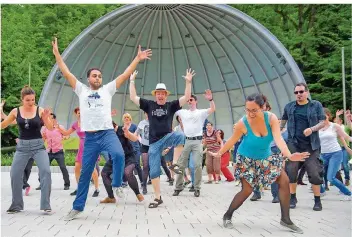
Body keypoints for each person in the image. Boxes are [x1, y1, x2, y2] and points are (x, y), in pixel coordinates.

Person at [51, 37, 152, 221]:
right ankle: (77, 207)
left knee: (119, 155)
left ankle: (116, 185)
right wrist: (57, 54)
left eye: (99, 76)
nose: (97, 78)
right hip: (90, 138)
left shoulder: (108, 89)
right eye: (94, 76)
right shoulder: (81, 90)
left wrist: (137, 59)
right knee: (85, 173)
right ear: (88, 78)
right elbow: (66, 73)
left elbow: (123, 74)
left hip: (107, 133)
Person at [209, 93, 309, 234]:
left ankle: (285, 219)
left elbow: (278, 139)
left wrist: (289, 155)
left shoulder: (271, 119)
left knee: (284, 180)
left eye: (254, 110)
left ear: (263, 107)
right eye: (247, 110)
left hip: (265, 157)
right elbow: (231, 141)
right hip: (246, 159)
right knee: (247, 190)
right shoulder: (242, 123)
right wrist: (219, 153)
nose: (250, 113)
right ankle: (227, 215)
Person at [129, 69, 194, 208]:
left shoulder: (170, 106)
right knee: (153, 171)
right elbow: (133, 97)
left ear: (165, 95)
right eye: (158, 93)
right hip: (154, 144)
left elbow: (186, 97)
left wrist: (188, 82)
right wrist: (132, 81)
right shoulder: (149, 105)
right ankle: (158, 197)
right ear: (155, 95)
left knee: (181, 136)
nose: (160, 95)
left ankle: (175, 163)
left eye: (162, 93)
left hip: (168, 137)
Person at [1, 86, 53, 213]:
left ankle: (46, 205)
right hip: (22, 147)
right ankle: (16, 205)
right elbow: (3, 124)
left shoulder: (40, 110)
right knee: (15, 173)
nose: (31, 102)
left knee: (46, 171)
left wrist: (46, 118)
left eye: (33, 100)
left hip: (38, 146)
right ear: (22, 99)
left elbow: (51, 128)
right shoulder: (15, 111)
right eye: (28, 100)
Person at [281, 83, 325, 211]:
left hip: (311, 145)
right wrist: (275, 134)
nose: (298, 95)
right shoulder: (289, 107)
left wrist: (312, 129)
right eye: (296, 92)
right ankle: (292, 198)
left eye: (301, 92)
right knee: (291, 172)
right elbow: (282, 123)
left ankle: (317, 200)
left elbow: (322, 122)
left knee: (315, 173)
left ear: (307, 92)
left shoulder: (315, 105)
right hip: (294, 145)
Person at [172, 92, 215, 197]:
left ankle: (197, 188)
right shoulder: (183, 112)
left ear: (196, 101)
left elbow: (212, 109)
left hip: (197, 141)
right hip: (186, 141)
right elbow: (171, 110)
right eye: (188, 100)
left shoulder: (200, 112)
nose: (189, 101)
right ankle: (178, 187)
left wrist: (210, 100)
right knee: (181, 165)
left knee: (197, 165)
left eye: (191, 100)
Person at [58, 107, 100, 197]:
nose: (80, 114)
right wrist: (58, 128)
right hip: (81, 146)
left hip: (90, 145)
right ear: (76, 114)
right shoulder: (75, 124)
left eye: (82, 112)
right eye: (78, 112)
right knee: (77, 167)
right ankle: (79, 188)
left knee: (92, 169)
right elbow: (66, 133)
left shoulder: (89, 122)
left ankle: (97, 189)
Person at [100, 122, 144, 203]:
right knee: (104, 174)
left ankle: (137, 193)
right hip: (114, 158)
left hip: (128, 156)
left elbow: (134, 138)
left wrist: (127, 132)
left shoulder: (121, 129)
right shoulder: (105, 134)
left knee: (127, 172)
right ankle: (111, 197)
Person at [319, 108, 352, 200]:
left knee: (331, 178)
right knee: (316, 175)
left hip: (335, 153)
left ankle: (348, 193)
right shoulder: (317, 127)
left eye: (324, 115)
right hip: (322, 154)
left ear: (328, 116)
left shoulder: (335, 126)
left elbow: (346, 137)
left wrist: (347, 147)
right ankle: (321, 192)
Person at [40, 113, 70, 190]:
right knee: (44, 168)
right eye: (47, 119)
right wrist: (43, 137)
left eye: (50, 118)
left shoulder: (60, 127)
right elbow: (43, 140)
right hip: (49, 152)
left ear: (54, 119)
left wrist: (65, 137)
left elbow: (67, 135)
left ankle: (67, 184)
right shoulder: (44, 128)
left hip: (58, 151)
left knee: (63, 167)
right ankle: (42, 184)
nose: (48, 120)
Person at [122, 113, 143, 184]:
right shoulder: (122, 127)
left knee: (137, 164)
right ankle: (124, 181)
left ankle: (142, 181)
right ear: (123, 119)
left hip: (135, 148)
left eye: (128, 117)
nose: (126, 118)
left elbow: (138, 136)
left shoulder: (134, 126)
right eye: (125, 117)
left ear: (130, 118)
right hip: (126, 149)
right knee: (124, 164)